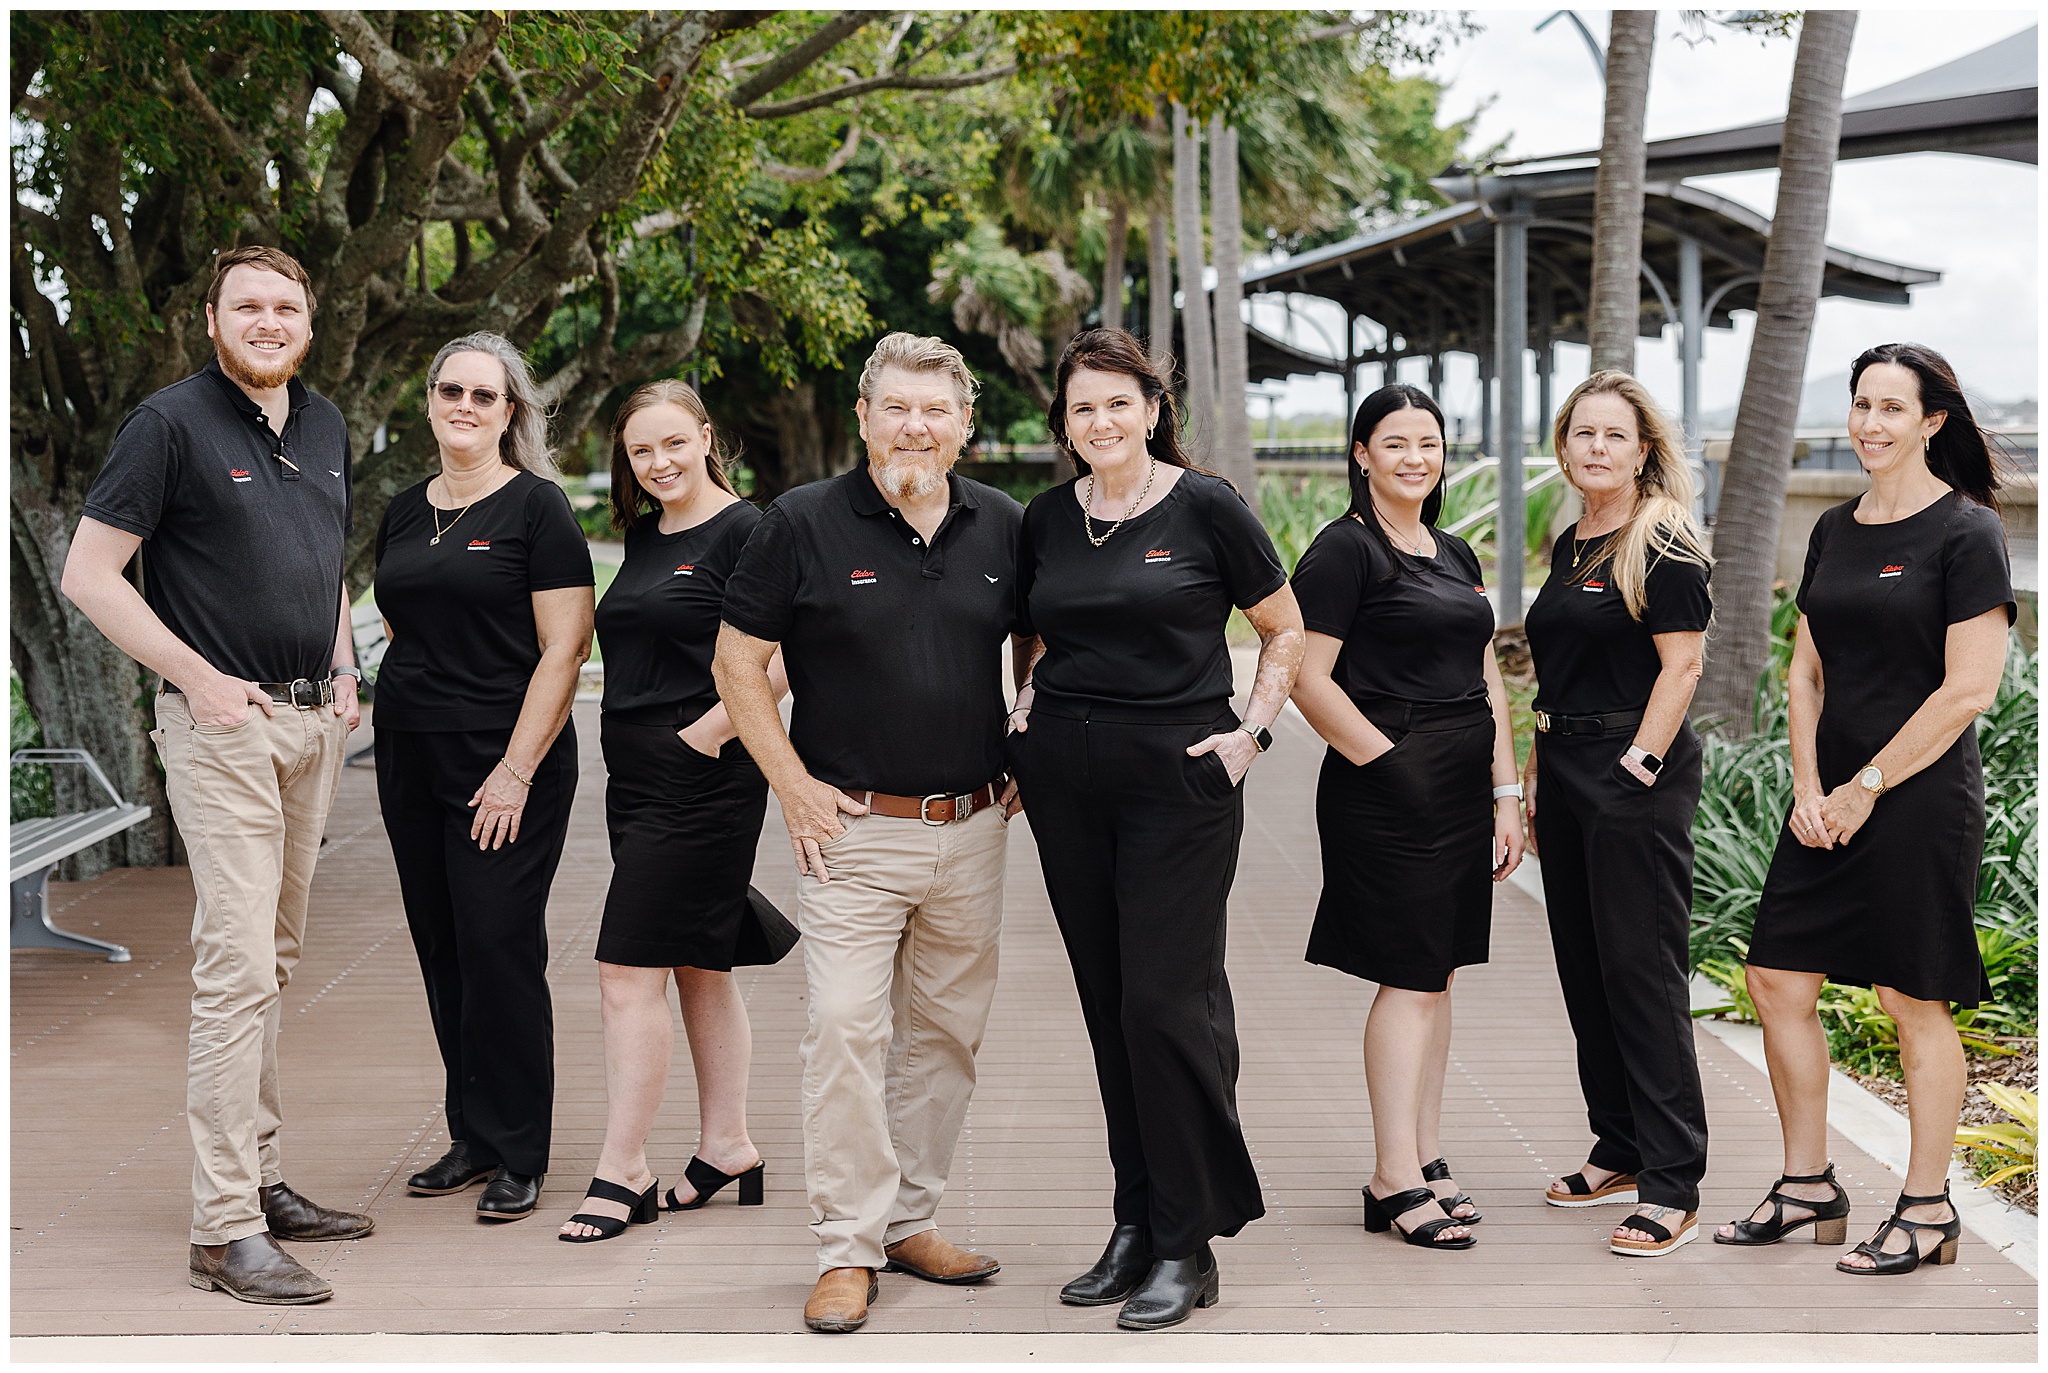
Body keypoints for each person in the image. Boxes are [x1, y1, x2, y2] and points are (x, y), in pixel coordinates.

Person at [61, 245, 370, 1305]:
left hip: (310, 724)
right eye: (248, 305)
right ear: (211, 319)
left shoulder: (325, 424)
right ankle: (224, 1228)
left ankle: (263, 1179)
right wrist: (198, 678)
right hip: (224, 728)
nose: (268, 320)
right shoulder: (167, 425)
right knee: (236, 967)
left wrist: (344, 667)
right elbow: (88, 574)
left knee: (271, 959)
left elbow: (328, 566)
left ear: (308, 322)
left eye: (286, 305)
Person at [714, 333, 1031, 1334]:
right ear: (863, 417)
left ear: (964, 424)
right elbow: (735, 663)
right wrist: (792, 784)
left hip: (973, 826)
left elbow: (1040, 638)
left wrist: (1029, 731)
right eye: (895, 407)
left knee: (945, 1035)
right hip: (849, 831)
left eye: (935, 410)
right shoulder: (800, 522)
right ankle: (846, 1247)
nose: (915, 427)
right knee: (848, 1028)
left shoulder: (1004, 523)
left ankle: (909, 1220)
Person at [1007, 329, 1306, 1330]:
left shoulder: (1207, 504)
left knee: (1164, 1003)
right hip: (1065, 780)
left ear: (1151, 407)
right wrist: (1022, 705)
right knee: (1107, 1004)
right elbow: (1030, 628)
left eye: (1117, 403)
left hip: (1179, 779)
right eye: (1082, 407)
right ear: (1064, 423)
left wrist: (1251, 733)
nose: (1100, 421)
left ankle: (1187, 1239)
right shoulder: (1047, 518)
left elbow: (1283, 627)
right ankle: (1134, 1221)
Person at [1714, 345, 2014, 1275]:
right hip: (1829, 799)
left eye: (1892, 407)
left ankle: (1927, 1208)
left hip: (1919, 799)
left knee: (1910, 995)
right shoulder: (1835, 529)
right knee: (1776, 979)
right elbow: (1805, 671)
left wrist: (1864, 787)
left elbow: (1968, 691)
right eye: (1861, 404)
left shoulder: (1968, 532)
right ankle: (1808, 1184)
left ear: (1932, 422)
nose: (1870, 424)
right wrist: (1810, 789)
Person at [1289, 383, 1525, 1253]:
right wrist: (1388, 765)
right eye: (1394, 443)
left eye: (1428, 442)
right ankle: (1391, 1175)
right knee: (1410, 974)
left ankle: (1423, 1155)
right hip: (1386, 783)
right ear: (1362, 454)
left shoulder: (1453, 547)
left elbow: (1486, 672)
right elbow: (1304, 675)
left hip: (1462, 780)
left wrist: (1506, 791)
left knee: (1440, 971)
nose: (1414, 458)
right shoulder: (1343, 550)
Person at [559, 381, 795, 1243]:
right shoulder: (645, 534)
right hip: (635, 778)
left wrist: (705, 734)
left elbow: (786, 655)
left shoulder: (748, 531)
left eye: (672, 443)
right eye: (640, 451)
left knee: (626, 971)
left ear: (705, 436)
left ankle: (622, 1167)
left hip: (705, 776)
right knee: (700, 960)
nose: (659, 463)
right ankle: (727, 1145)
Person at [374, 332, 595, 1223]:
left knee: (499, 943)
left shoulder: (539, 508)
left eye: (484, 395)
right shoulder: (403, 510)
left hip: (506, 761)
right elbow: (404, 626)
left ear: (510, 412)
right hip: (410, 754)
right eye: (450, 390)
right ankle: (471, 1134)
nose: (464, 406)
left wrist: (513, 770)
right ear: (429, 400)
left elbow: (565, 650)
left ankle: (520, 1149)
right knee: (443, 943)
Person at [1520, 370, 1713, 1258]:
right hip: (1564, 765)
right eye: (1582, 433)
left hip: (1632, 773)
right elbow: (1558, 671)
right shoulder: (1573, 540)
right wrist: (1536, 768)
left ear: (1643, 452)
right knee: (1585, 963)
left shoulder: (1660, 536)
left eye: (1614, 435)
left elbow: (1683, 665)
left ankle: (1673, 1179)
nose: (1596, 447)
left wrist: (1639, 761)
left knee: (1641, 969)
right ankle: (1621, 1144)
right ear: (1564, 446)